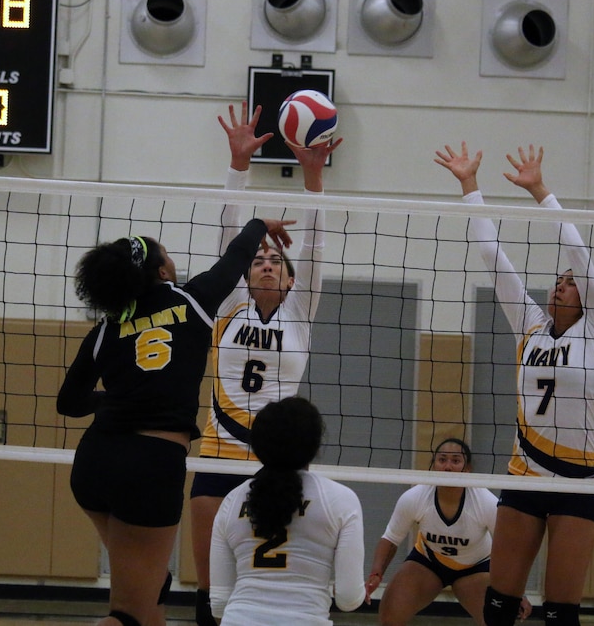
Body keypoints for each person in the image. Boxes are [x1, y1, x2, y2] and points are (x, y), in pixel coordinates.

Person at [434, 143, 594, 626]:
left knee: (560, 614)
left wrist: (540, 192)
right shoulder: (531, 326)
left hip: (578, 483)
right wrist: (469, 186)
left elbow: (578, 252)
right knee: (499, 607)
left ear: (588, 297)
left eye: (572, 282)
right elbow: (493, 259)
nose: (562, 283)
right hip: (525, 474)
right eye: (558, 279)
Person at [57, 214, 293, 626]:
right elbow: (238, 255)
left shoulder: (105, 329)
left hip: (93, 462)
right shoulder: (192, 300)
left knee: (149, 593)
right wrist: (259, 222)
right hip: (149, 464)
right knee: (128, 613)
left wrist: (112, 400)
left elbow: (69, 402)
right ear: (162, 270)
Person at [190, 101, 341, 626]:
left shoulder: (300, 311)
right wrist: (238, 167)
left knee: (272, 588)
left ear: (290, 277)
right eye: (258, 259)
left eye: (276, 259)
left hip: (275, 464)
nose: (267, 264)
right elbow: (228, 233)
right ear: (245, 272)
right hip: (216, 455)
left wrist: (313, 178)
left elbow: (319, 247)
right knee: (213, 598)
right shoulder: (228, 306)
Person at [209, 396, 365, 626]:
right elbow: (348, 599)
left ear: (258, 445)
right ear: (314, 446)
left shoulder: (232, 502)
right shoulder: (341, 500)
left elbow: (220, 603)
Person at [364, 438, 530, 626]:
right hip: (428, 562)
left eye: (455, 461)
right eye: (442, 460)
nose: (448, 467)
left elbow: (508, 552)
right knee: (389, 618)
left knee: (498, 622)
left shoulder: (485, 502)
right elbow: (391, 539)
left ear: (467, 469)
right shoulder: (415, 497)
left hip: (475, 568)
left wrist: (519, 593)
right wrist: (376, 574)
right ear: (433, 466)